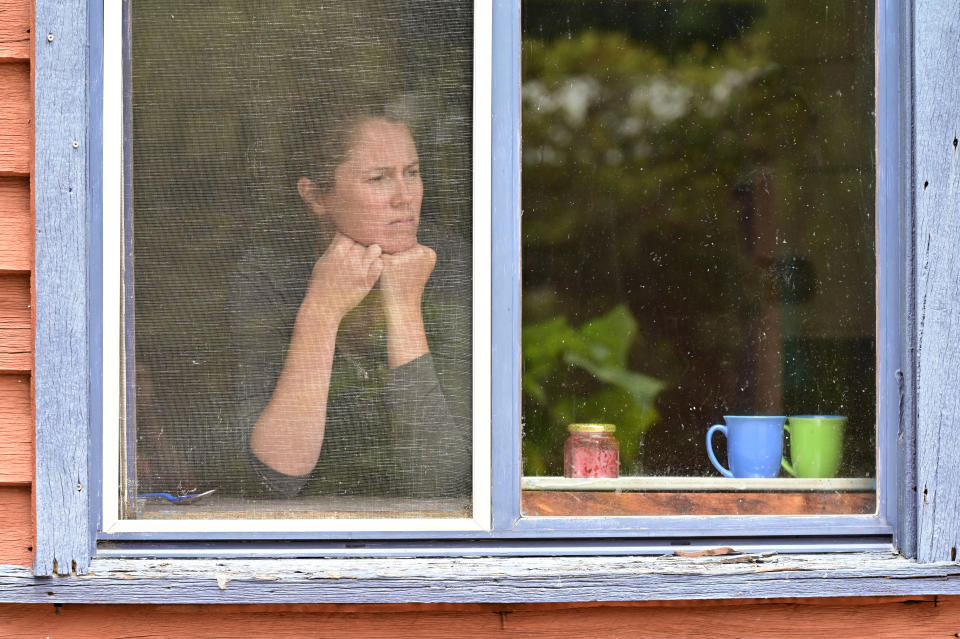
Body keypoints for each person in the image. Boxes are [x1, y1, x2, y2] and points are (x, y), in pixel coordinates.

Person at [232, 105, 472, 501]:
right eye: (378, 179)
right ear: (315, 197)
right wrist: (321, 310)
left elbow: (436, 479)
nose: (405, 198)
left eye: (412, 173)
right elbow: (277, 477)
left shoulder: (450, 264)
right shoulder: (268, 275)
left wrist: (405, 308)